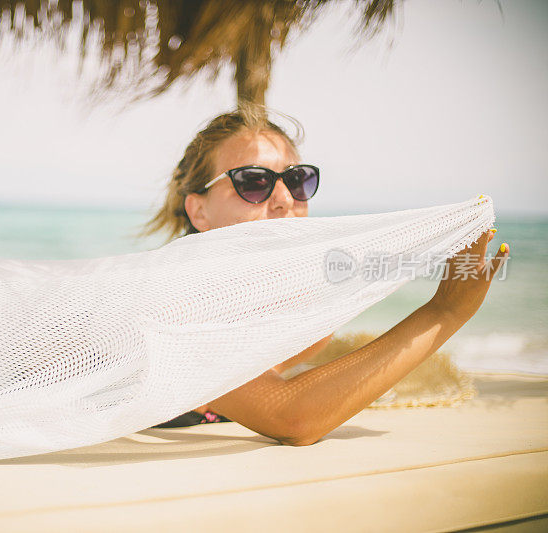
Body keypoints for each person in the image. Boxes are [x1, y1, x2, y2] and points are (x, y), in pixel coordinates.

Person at [144, 103, 509, 444]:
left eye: (297, 179)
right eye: (253, 181)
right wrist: (446, 310)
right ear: (199, 211)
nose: (285, 198)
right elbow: (291, 418)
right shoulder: (178, 304)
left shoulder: (288, 314)